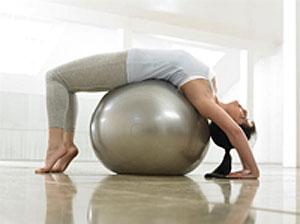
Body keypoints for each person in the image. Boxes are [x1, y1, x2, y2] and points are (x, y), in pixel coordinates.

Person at [35, 48, 260, 179]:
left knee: (56, 78)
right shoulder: (211, 89)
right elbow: (234, 130)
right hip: (130, 63)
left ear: (228, 123)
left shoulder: (203, 99)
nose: (243, 107)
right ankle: (66, 144)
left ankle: (56, 146)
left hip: (128, 65)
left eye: (243, 116)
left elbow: (234, 133)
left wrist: (251, 169)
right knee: (66, 84)